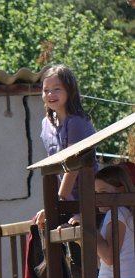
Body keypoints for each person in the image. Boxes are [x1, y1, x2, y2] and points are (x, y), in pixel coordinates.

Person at [68, 165, 135, 278]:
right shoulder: (128, 214)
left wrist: (88, 227)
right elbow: (103, 263)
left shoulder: (117, 213)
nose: (97, 198)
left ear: (120, 190)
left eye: (103, 191)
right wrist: (83, 241)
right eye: (95, 192)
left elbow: (109, 257)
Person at [38, 64, 96, 224]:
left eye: (57, 89)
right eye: (45, 90)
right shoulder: (45, 124)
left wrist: (59, 201)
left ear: (69, 91)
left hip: (89, 201)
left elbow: (73, 166)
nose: (50, 94)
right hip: (65, 202)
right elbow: (53, 167)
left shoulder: (77, 122)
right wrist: (53, 203)